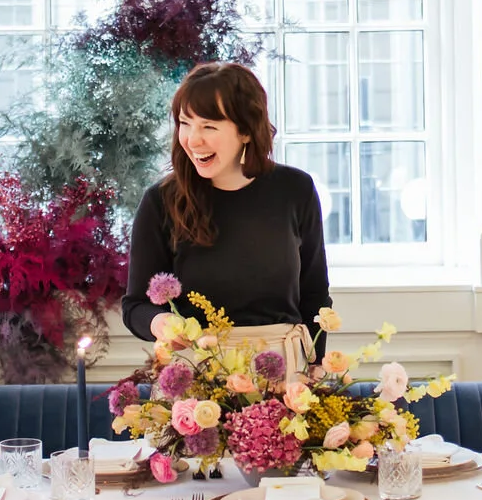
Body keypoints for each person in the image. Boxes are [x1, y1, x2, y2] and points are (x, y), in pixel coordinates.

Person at [121, 61, 330, 376]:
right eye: (184, 123)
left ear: (246, 130)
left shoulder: (295, 190)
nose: (192, 140)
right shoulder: (160, 201)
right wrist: (160, 322)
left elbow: (314, 294)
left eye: (208, 126)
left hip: (282, 374)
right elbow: (135, 306)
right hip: (197, 380)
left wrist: (316, 369)